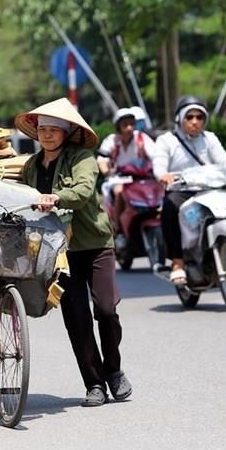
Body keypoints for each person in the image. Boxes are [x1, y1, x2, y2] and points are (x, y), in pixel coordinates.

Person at [15, 98, 132, 407]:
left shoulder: (83, 158)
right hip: (58, 251)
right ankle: (94, 384)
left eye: (54, 129)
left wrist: (55, 197)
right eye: (43, 129)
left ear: (66, 133)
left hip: (95, 245)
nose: (48, 135)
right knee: (76, 318)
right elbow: (19, 197)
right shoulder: (30, 166)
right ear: (36, 133)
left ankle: (115, 371)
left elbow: (81, 192)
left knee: (106, 310)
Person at [153, 95, 226, 284]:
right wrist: (163, 175)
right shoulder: (166, 140)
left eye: (199, 117)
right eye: (189, 117)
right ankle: (177, 262)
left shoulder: (210, 138)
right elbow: (159, 165)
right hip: (182, 192)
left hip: (210, 190)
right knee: (169, 207)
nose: (195, 122)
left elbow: (224, 162)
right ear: (179, 118)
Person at [97, 108, 156, 236]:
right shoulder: (111, 140)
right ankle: (117, 228)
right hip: (118, 178)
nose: (129, 128)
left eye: (131, 124)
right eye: (125, 125)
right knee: (119, 191)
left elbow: (156, 156)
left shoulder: (142, 138)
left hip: (140, 179)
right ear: (118, 126)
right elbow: (102, 158)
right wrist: (106, 171)